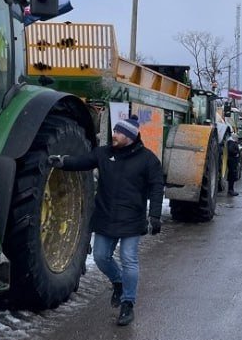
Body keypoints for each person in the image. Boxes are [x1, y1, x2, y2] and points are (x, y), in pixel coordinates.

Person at [48, 115, 163, 326]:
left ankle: (128, 303)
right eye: (115, 131)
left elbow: (157, 187)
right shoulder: (104, 153)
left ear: (129, 136)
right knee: (101, 257)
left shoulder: (147, 159)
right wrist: (63, 162)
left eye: (119, 132)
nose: (114, 135)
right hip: (105, 216)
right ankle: (118, 282)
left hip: (131, 219)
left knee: (129, 259)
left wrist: (154, 216)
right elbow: (83, 161)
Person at [227, 131, 241, 196]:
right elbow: (230, 150)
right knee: (232, 175)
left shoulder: (231, 142)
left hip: (232, 161)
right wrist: (236, 153)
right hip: (232, 161)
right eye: (237, 138)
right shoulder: (231, 143)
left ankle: (231, 189)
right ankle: (231, 190)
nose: (238, 139)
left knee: (232, 175)